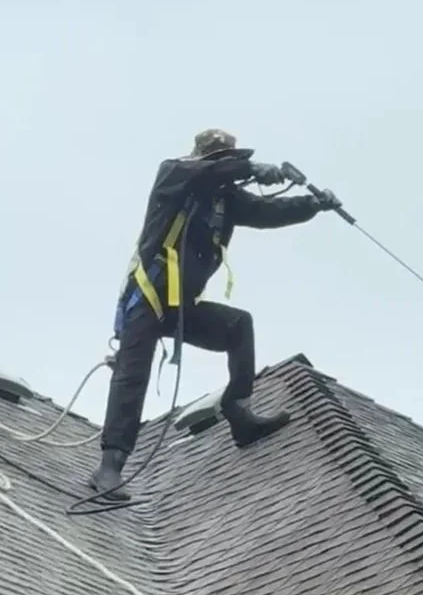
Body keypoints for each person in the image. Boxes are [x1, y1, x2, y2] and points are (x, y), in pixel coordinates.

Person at [90, 128, 339, 499]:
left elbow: (266, 211)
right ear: (204, 158)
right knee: (132, 376)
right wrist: (253, 168)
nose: (224, 166)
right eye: (219, 160)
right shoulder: (175, 175)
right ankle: (108, 469)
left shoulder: (226, 200)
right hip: (148, 298)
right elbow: (207, 172)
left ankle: (239, 412)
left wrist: (312, 205)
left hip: (181, 308)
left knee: (238, 326)